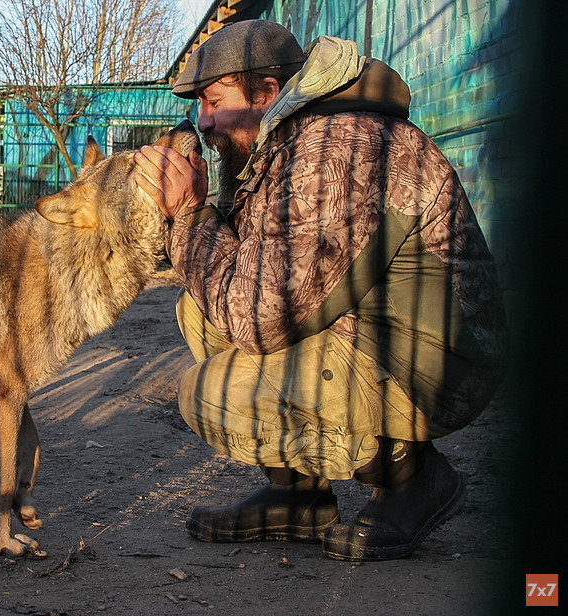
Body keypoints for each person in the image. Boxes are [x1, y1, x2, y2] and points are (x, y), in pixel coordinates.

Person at [133, 20, 508, 561]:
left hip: (438, 365)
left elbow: (260, 313)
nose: (204, 121)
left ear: (267, 93)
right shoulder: (285, 144)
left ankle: (412, 474)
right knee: (201, 309)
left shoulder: (343, 146)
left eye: (214, 101)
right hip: (377, 333)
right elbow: (249, 271)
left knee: (209, 392)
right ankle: (300, 496)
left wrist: (191, 214)